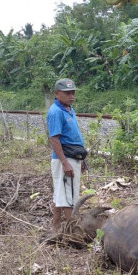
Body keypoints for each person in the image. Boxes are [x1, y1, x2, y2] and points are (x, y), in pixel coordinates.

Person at [47, 78, 86, 232]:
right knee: (69, 197)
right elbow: (54, 138)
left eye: (73, 93)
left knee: (61, 193)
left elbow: (74, 136)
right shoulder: (56, 112)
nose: (71, 96)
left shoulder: (69, 109)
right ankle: (73, 231)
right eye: (67, 93)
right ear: (57, 93)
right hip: (65, 158)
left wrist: (82, 160)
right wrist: (65, 163)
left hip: (74, 157)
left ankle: (55, 227)